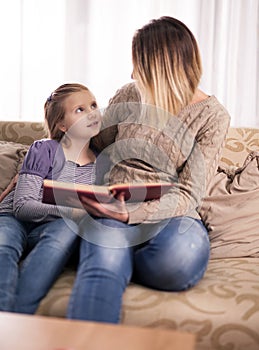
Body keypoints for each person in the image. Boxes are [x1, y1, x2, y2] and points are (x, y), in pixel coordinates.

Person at [67, 16, 231, 323]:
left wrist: (133, 215)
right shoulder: (130, 94)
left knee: (177, 262)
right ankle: (109, 262)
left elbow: (191, 192)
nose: (132, 72)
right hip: (114, 202)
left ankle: (117, 256)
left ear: (160, 67)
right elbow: (94, 142)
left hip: (171, 215)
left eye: (138, 64)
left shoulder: (212, 116)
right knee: (105, 258)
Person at [0, 82, 104, 313]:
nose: (92, 113)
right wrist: (72, 212)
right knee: (3, 245)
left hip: (51, 228)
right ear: (62, 125)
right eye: (80, 109)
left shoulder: (100, 164)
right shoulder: (45, 149)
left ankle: (20, 314)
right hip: (13, 218)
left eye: (94, 105)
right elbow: (23, 207)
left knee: (66, 232)